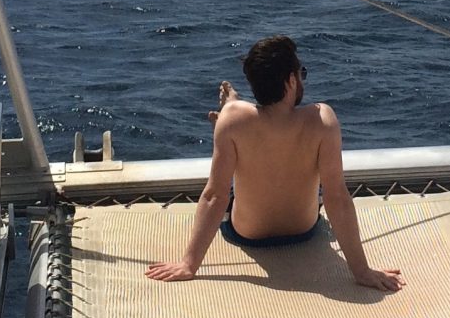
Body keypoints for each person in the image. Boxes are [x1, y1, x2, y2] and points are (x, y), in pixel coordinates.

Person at [144, 35, 404, 291]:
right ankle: (234, 117)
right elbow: (337, 198)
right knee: (312, 183)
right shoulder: (322, 119)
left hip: (248, 234)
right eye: (301, 73)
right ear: (291, 80)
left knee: (234, 130)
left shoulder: (232, 118)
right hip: (303, 230)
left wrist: (189, 264)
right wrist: (362, 271)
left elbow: (215, 196)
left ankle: (231, 114)